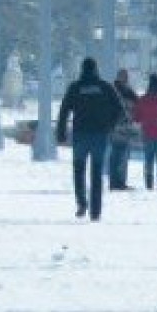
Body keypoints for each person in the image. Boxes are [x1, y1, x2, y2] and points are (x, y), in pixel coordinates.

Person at [55, 57, 126, 221]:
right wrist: (110, 125)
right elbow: (120, 110)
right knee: (97, 172)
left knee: (79, 170)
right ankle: (95, 211)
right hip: (100, 135)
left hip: (80, 134)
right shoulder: (105, 87)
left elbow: (64, 110)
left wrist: (61, 133)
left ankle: (81, 203)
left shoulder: (75, 87)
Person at [108, 69, 140, 190]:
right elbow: (135, 104)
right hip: (120, 127)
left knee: (118, 155)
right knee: (120, 155)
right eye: (123, 77)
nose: (125, 79)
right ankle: (118, 182)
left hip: (120, 127)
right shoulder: (120, 91)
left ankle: (117, 181)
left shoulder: (118, 90)